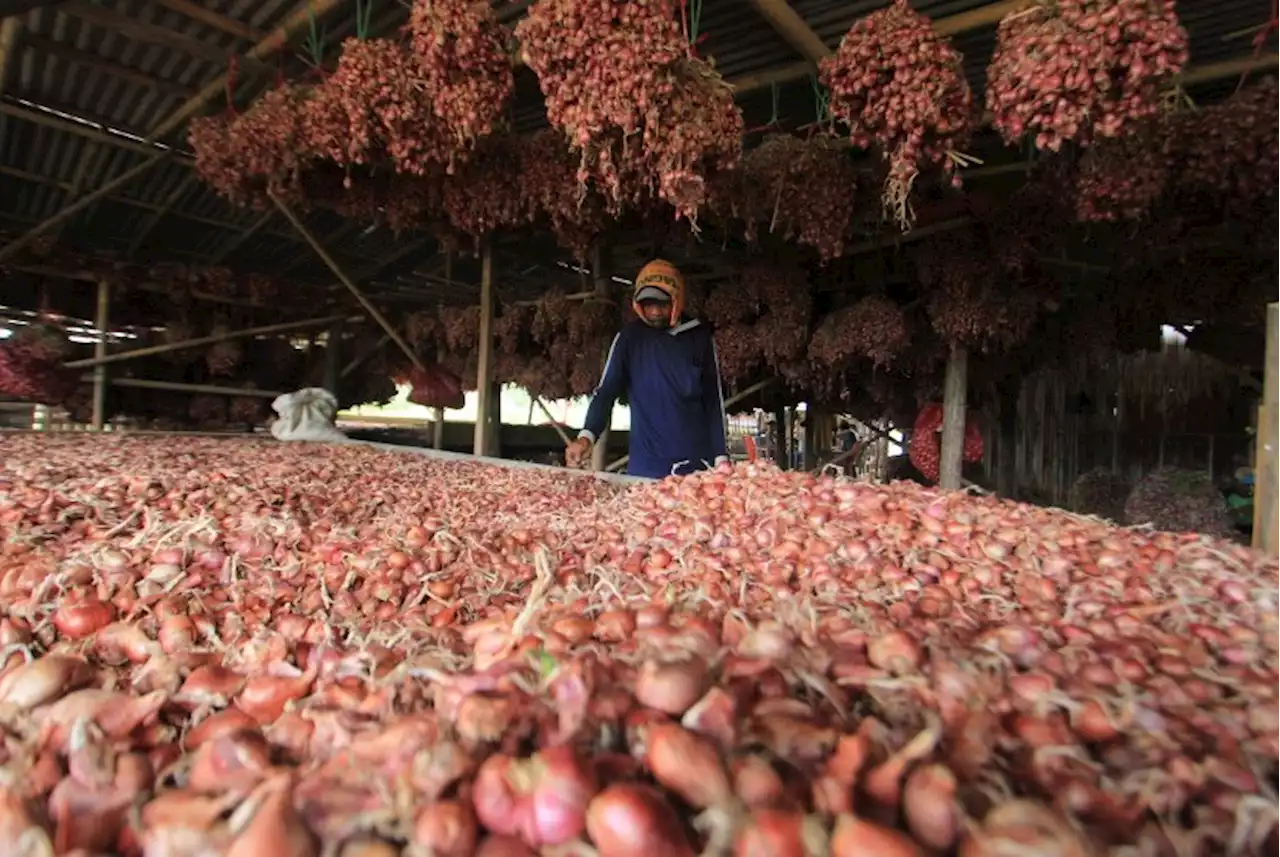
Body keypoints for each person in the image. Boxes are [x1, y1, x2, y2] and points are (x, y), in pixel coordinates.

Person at [565, 259, 729, 479]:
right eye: (647, 304)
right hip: (647, 469)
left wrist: (721, 459)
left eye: (661, 304)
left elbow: (712, 402)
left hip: (697, 470)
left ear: (677, 299)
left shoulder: (699, 338)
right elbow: (606, 393)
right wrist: (586, 436)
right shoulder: (630, 339)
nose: (654, 312)